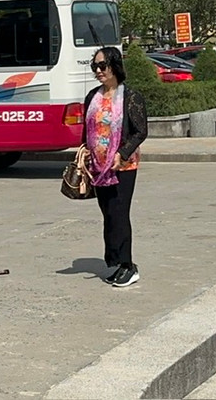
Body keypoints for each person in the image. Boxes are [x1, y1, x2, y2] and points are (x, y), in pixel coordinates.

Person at [78, 46, 148, 288]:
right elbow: (87, 130)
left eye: (102, 66)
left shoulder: (130, 97)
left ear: (115, 66)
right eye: (94, 66)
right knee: (108, 213)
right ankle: (116, 263)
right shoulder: (93, 97)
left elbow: (140, 131)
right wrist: (84, 152)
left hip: (123, 166)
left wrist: (122, 153)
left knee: (119, 213)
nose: (98, 71)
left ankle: (129, 266)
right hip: (98, 166)